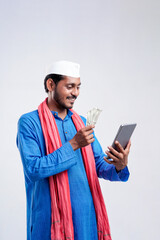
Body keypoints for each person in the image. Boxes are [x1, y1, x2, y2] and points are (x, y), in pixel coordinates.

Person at [16, 60, 131, 240]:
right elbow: (33, 169)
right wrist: (74, 144)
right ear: (50, 84)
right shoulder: (29, 123)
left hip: (86, 220)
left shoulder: (82, 122)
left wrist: (119, 165)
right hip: (49, 222)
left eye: (78, 87)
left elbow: (99, 165)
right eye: (70, 87)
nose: (75, 93)